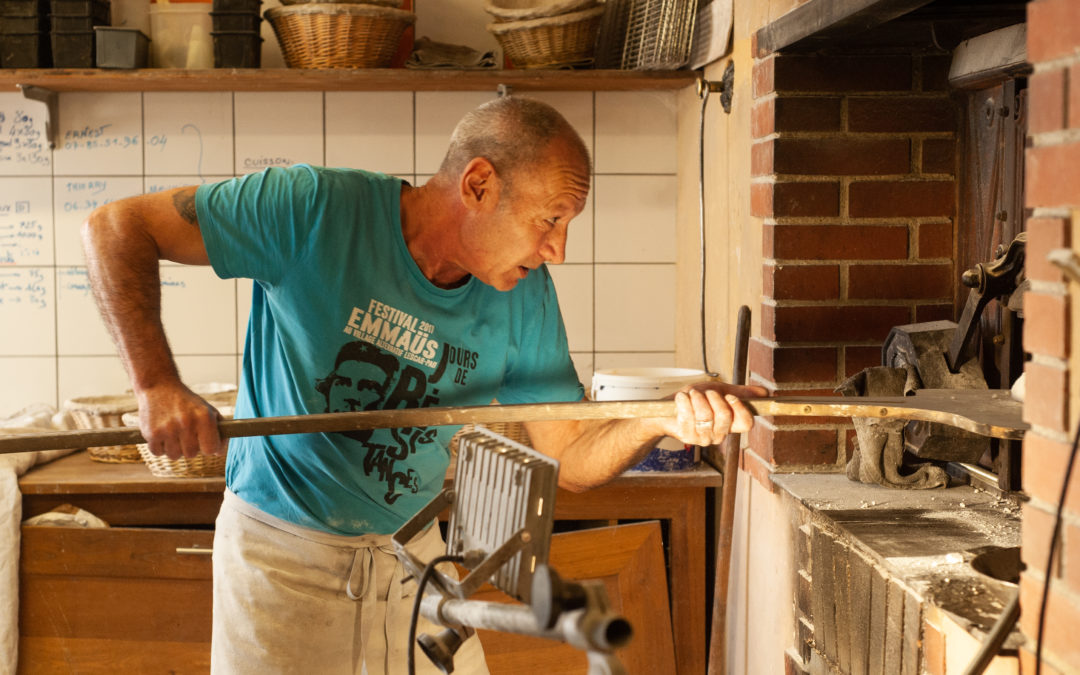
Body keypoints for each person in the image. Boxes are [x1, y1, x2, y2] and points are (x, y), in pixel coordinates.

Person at [81, 96, 765, 674]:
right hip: (281, 558)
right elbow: (116, 227)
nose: (557, 249)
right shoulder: (312, 210)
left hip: (412, 556)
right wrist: (157, 384)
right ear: (476, 185)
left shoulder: (523, 299)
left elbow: (572, 455)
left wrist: (661, 421)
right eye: (550, 219)